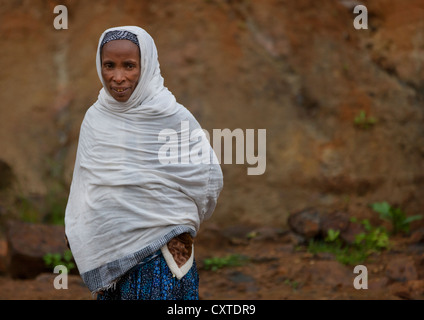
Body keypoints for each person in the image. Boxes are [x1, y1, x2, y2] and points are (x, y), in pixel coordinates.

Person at [64, 26, 223, 300]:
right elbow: (87, 187)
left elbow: (207, 177)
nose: (118, 77)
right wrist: (83, 229)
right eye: (109, 65)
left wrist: (174, 215)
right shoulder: (96, 118)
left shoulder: (172, 116)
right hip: (111, 254)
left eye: (129, 66)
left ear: (146, 65)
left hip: (163, 254)